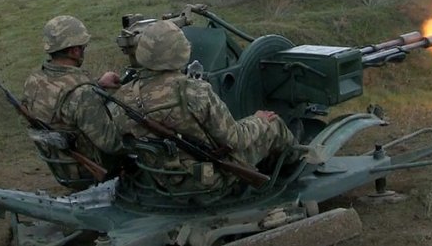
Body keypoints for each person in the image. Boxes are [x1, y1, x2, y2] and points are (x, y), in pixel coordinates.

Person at [115, 20, 299, 194]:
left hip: (161, 180)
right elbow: (235, 139)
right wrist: (259, 120)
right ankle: (293, 173)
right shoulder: (195, 91)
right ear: (181, 52)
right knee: (273, 125)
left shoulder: (124, 96)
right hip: (211, 178)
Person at [23, 15, 129, 187]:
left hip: (63, 163)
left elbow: (62, 100)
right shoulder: (82, 94)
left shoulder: (34, 80)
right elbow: (113, 145)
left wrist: (98, 84)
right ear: (74, 51)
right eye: (83, 47)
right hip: (91, 169)